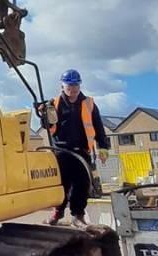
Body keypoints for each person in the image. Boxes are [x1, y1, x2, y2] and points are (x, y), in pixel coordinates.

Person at [43, 69, 110, 228]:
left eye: (75, 86)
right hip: (61, 151)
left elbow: (98, 126)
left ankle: (78, 215)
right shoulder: (54, 103)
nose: (72, 90)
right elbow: (47, 126)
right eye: (69, 86)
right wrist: (43, 114)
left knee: (81, 184)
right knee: (61, 184)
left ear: (79, 86)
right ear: (62, 86)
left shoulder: (89, 103)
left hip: (82, 150)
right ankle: (57, 213)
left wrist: (103, 147)